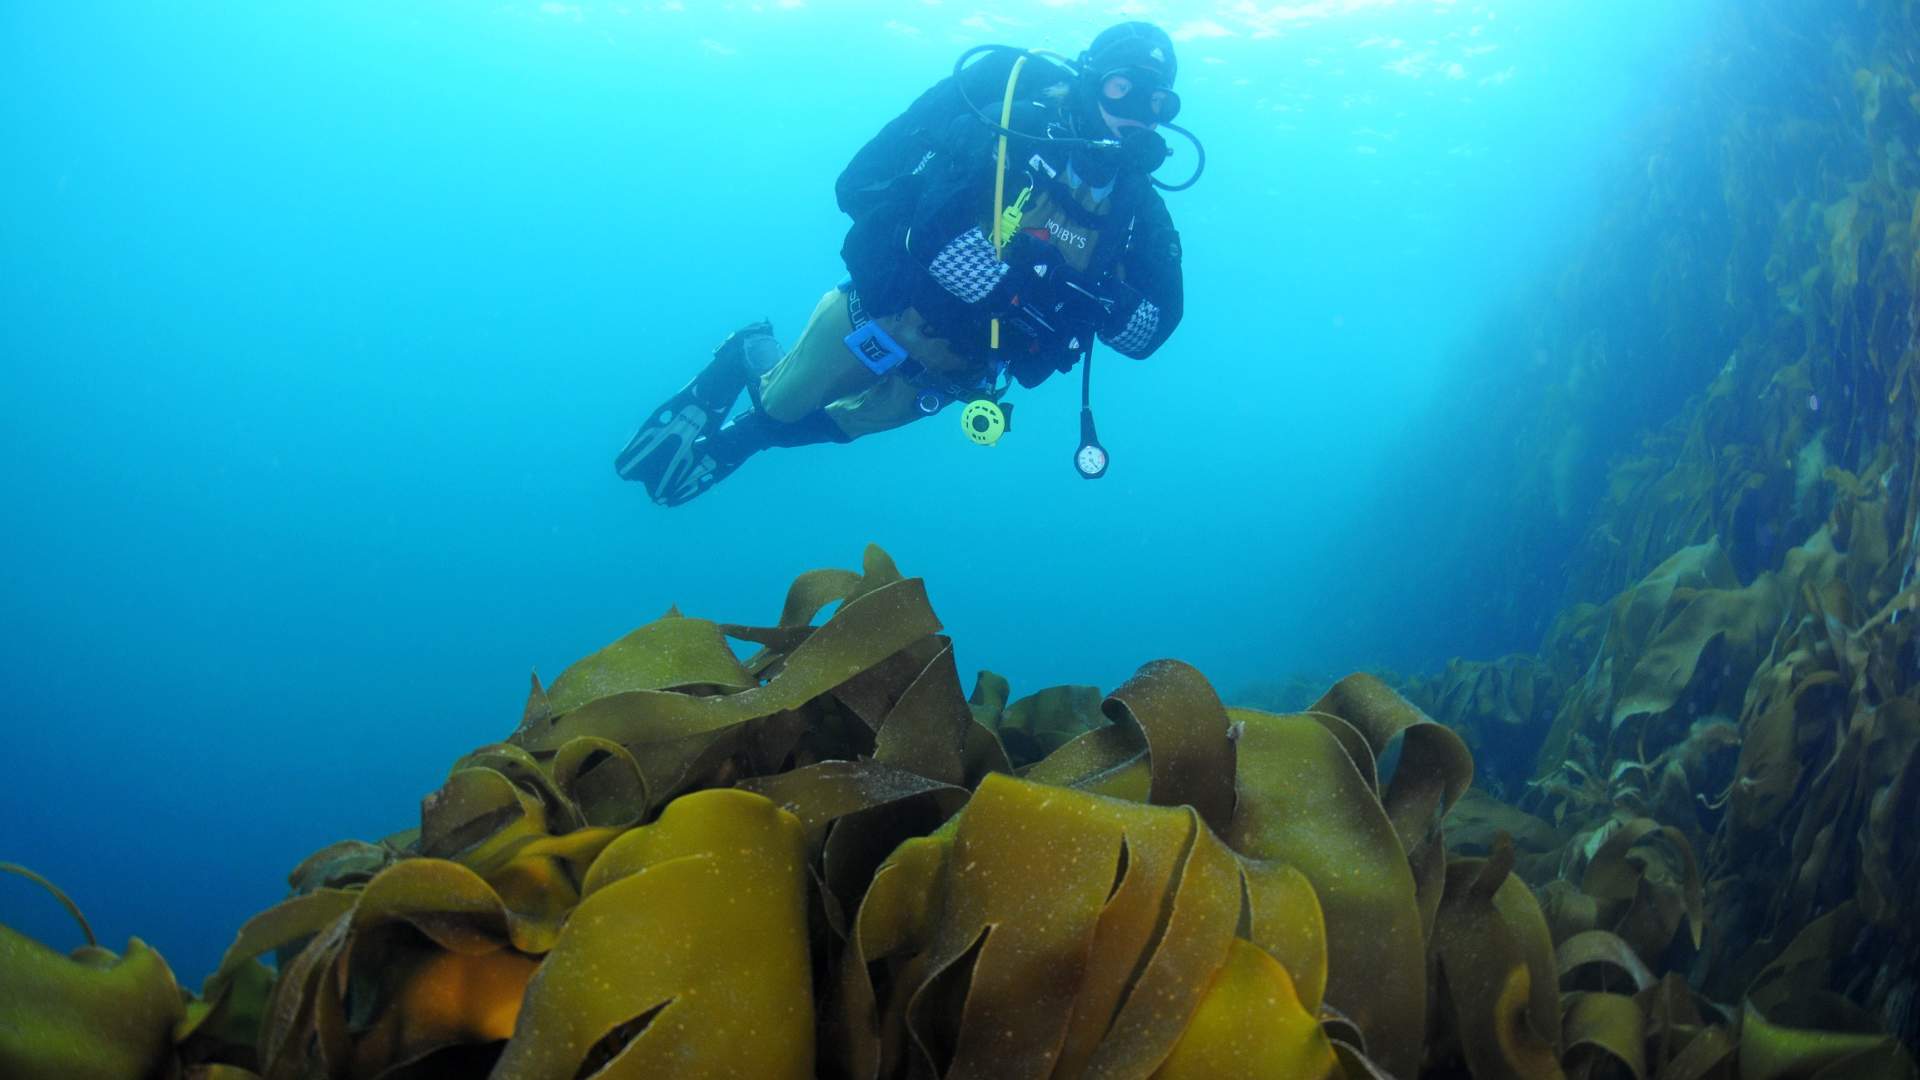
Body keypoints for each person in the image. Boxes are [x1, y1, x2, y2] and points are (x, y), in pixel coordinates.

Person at [615, 21, 1192, 506]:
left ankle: (750, 437)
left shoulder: (1138, 206)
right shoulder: (1009, 127)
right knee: (784, 403)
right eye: (1124, 90)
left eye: (1159, 102)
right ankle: (749, 354)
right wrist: (1040, 290)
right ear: (1092, 81)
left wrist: (1079, 298)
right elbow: (937, 239)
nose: (1140, 114)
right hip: (884, 316)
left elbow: (1152, 332)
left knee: (833, 426)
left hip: (958, 371)